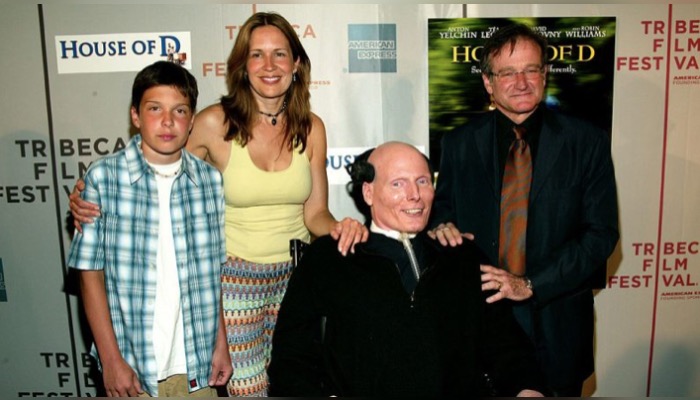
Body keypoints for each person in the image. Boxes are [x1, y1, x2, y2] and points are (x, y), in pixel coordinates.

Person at [69, 12, 368, 397]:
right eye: (257, 55)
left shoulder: (311, 127)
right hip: (233, 282)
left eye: (280, 54)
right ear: (242, 67)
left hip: (297, 279)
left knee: (298, 383)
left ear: (297, 64)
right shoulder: (210, 123)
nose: (269, 65)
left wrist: (343, 228)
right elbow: (158, 166)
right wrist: (91, 194)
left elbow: (315, 214)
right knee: (249, 391)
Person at [267, 141, 547, 397]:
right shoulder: (330, 259)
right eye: (398, 184)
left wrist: (528, 388)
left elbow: (507, 345)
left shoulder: (463, 257)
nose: (414, 195)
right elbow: (291, 358)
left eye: (422, 181)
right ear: (368, 192)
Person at [429, 23, 620, 396]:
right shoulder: (459, 143)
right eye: (507, 72)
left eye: (531, 69)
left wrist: (530, 285)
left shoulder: (588, 142)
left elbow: (601, 235)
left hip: (558, 326)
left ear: (545, 74)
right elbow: (440, 212)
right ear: (488, 82)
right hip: (480, 330)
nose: (521, 81)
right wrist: (440, 226)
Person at [67, 61, 232, 397]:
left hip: (196, 364)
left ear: (192, 121)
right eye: (155, 108)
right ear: (135, 116)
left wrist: (221, 343)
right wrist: (112, 360)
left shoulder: (209, 181)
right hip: (133, 366)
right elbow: (89, 275)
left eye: (180, 110)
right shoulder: (104, 178)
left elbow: (211, 272)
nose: (168, 121)